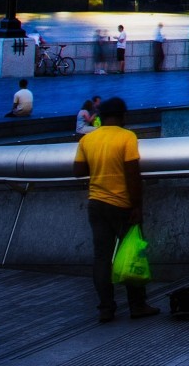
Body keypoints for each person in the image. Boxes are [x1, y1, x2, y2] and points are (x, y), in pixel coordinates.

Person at [73, 97, 159, 323]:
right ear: (122, 116)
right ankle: (137, 305)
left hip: (96, 204)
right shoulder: (127, 137)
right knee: (132, 253)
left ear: (101, 117)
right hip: (122, 205)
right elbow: (133, 174)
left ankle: (106, 309)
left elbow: (78, 169)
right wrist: (137, 206)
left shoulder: (88, 140)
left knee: (101, 257)